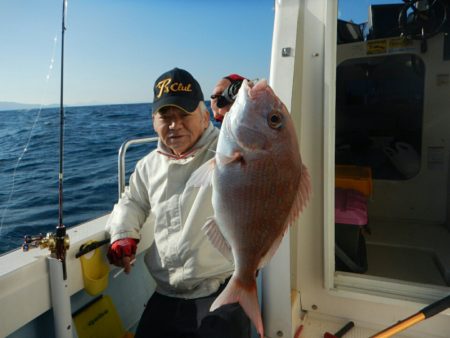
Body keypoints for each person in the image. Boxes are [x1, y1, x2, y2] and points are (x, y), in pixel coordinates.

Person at [105, 67, 251, 338]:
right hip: (165, 292)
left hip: (220, 289)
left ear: (205, 116)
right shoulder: (148, 165)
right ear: (153, 121)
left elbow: (262, 152)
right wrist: (123, 234)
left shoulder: (229, 151)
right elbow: (133, 201)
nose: (175, 125)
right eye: (166, 116)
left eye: (184, 114)